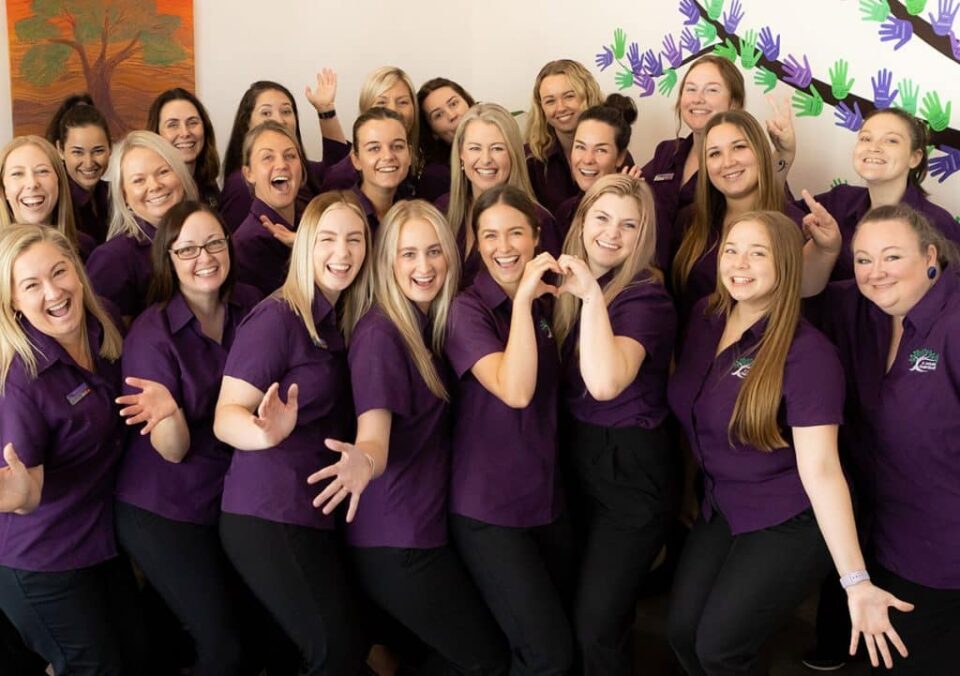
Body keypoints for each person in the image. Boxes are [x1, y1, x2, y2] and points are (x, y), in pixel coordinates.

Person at [666, 210, 911, 675]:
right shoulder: (705, 316)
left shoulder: (808, 355)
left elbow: (821, 471)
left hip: (790, 517)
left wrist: (856, 582)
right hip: (723, 505)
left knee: (720, 649)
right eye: (732, 250)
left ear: (786, 265)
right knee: (682, 633)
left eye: (758, 253)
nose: (740, 263)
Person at [310, 199, 509, 675]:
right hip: (397, 542)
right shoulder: (380, 333)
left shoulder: (427, 326)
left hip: (421, 532)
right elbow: (374, 433)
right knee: (487, 661)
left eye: (434, 251)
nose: (424, 266)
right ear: (386, 262)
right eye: (408, 254)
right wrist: (366, 460)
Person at [213, 191, 371, 675]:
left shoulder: (346, 317)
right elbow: (226, 416)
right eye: (326, 239)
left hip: (313, 513)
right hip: (269, 512)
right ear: (304, 246)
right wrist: (265, 433)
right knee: (335, 648)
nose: (341, 253)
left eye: (354, 239)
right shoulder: (277, 317)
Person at [113, 201, 262, 676]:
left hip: (223, 504)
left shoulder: (252, 308)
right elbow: (172, 450)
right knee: (223, 648)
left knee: (189, 640)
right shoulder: (151, 334)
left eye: (214, 243)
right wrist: (172, 412)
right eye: (188, 248)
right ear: (169, 258)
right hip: (163, 509)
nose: (205, 257)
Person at [810, 204, 960, 675]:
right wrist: (827, 249)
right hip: (873, 541)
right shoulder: (856, 306)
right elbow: (785, 288)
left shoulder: (954, 324)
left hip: (940, 556)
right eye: (862, 259)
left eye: (892, 257)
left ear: (930, 256)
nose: (875, 273)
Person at [0, 224, 145, 674]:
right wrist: (18, 492)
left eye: (59, 272)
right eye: (31, 285)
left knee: (145, 657)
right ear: (14, 304)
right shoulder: (24, 381)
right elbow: (25, 493)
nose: (54, 291)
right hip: (43, 562)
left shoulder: (102, 321)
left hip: (98, 545)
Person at [445, 184, 575, 674]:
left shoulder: (547, 303)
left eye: (516, 233)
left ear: (537, 236)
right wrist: (521, 302)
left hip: (545, 500)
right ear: (476, 244)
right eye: (490, 235)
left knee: (555, 640)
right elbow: (515, 390)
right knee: (547, 654)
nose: (504, 247)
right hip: (489, 510)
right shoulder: (466, 310)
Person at [552, 175, 676, 675]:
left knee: (597, 625)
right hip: (579, 459)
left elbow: (605, 383)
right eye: (601, 218)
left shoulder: (646, 297)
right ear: (581, 222)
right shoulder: (566, 286)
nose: (611, 233)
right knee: (582, 612)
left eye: (629, 225)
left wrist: (591, 300)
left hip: (631, 471)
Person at [641, 55, 794, 250]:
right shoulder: (667, 152)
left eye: (711, 90)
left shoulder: (746, 166)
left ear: (734, 102)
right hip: (663, 271)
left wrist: (785, 154)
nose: (698, 99)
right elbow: (635, 195)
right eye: (690, 89)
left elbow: (772, 210)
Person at [671, 109, 803, 327]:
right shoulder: (689, 222)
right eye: (714, 153)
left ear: (760, 152)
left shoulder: (792, 224)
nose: (728, 162)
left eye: (739, 147)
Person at [799, 108, 960, 281]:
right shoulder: (840, 200)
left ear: (915, 157)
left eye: (891, 140)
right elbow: (779, 223)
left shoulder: (938, 224)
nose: (874, 148)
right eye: (866, 138)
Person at [440, 103, 561, 287]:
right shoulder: (441, 211)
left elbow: (552, 298)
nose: (486, 159)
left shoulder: (540, 221)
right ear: (460, 154)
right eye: (475, 148)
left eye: (497, 148)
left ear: (513, 154)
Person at [87, 131, 198, 322]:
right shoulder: (112, 259)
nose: (154, 186)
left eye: (163, 172)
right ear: (124, 195)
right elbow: (112, 345)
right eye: (139, 180)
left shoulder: (206, 233)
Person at [221, 79, 347, 232]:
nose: (279, 120)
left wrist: (325, 109)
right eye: (266, 113)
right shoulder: (240, 184)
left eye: (286, 111)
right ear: (247, 123)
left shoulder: (303, 171)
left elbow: (341, 174)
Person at [231, 121, 306, 295]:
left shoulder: (311, 222)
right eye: (267, 157)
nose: (281, 165)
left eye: (290, 156)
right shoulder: (246, 247)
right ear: (248, 174)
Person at [322, 66, 420, 193]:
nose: (393, 110)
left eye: (402, 102)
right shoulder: (344, 175)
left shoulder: (424, 156)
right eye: (381, 103)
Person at [553, 94, 639, 239]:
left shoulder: (641, 210)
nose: (587, 159)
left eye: (600, 150)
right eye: (580, 147)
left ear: (620, 157)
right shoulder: (565, 211)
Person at [524, 59, 604, 213]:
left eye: (569, 96)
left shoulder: (613, 150)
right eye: (550, 101)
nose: (560, 108)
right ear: (541, 108)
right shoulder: (531, 160)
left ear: (588, 96)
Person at [0, 135, 94, 260]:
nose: (32, 183)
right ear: (3, 188)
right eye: (17, 174)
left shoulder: (85, 248)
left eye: (42, 171)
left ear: (59, 181)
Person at [46, 94, 112, 244]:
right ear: (60, 150)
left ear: (110, 148)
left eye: (98, 151)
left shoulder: (116, 194)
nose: (88, 163)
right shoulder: (53, 203)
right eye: (77, 152)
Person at [147, 88, 222, 209]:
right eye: (172, 125)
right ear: (156, 134)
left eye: (192, 122)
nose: (185, 133)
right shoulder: (156, 193)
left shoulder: (208, 187)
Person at [347, 107, 413, 233]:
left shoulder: (415, 213)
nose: (388, 156)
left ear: (409, 155)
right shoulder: (339, 215)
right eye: (374, 148)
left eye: (398, 146)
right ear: (356, 160)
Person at [416, 77, 476, 202]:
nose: (452, 115)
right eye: (438, 115)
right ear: (433, 133)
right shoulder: (435, 177)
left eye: (454, 104)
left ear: (467, 102)